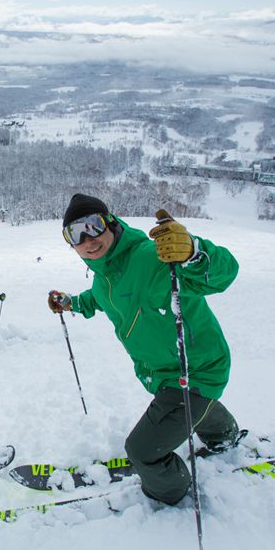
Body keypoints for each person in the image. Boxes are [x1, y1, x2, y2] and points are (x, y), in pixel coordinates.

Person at [49, 193, 240, 505]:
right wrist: (71, 303)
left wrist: (193, 253)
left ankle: (171, 493)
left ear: (110, 222)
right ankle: (223, 435)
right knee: (190, 407)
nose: (87, 239)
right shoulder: (102, 277)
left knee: (141, 452)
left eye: (92, 226)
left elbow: (224, 273)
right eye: (74, 234)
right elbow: (97, 299)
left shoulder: (154, 256)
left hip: (195, 369)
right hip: (161, 374)